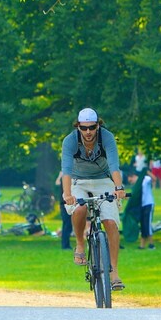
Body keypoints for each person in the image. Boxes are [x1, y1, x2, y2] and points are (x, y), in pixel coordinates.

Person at [60, 107, 126, 291]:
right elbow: (66, 171)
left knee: (110, 222)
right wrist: (67, 195)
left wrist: (118, 187)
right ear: (78, 127)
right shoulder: (70, 141)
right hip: (78, 181)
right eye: (84, 128)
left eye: (92, 127)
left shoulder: (107, 137)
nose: (88, 132)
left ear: (98, 125)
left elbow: (114, 164)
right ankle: (80, 245)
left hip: (103, 180)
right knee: (80, 208)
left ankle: (113, 272)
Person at [55, 171, 72, 249]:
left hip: (65, 202)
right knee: (67, 225)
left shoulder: (65, 177)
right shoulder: (66, 178)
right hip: (65, 203)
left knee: (67, 225)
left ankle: (65, 244)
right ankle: (65, 245)